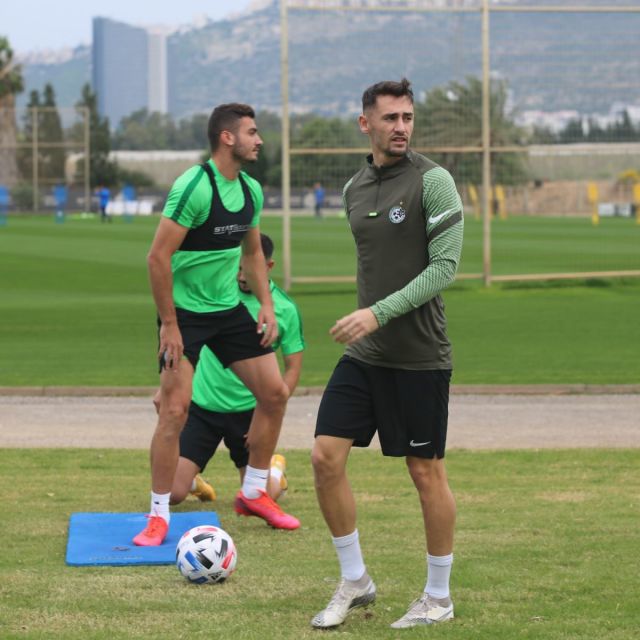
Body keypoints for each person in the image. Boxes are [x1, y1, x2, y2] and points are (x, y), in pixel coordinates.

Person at [310, 78, 464, 630]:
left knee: (425, 472)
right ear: (365, 124)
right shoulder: (354, 188)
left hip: (420, 356)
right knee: (325, 457)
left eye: (407, 117)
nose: (401, 127)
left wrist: (377, 312)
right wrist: (369, 322)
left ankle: (438, 598)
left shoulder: (434, 181)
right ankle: (355, 580)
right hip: (366, 354)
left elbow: (444, 269)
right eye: (390, 118)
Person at [135, 103, 299, 547]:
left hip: (227, 311)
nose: (259, 140)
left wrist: (266, 305)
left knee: (274, 394)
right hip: (184, 315)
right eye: (252, 132)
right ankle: (158, 516)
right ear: (227, 138)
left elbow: (252, 253)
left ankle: (253, 493)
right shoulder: (194, 186)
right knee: (174, 411)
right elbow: (157, 257)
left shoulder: (250, 190)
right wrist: (169, 325)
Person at [162, 233, 305, 510]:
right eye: (236, 268)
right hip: (204, 407)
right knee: (172, 494)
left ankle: (275, 470)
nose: (240, 276)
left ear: (268, 266)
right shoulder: (218, 296)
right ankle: (192, 482)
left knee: (258, 500)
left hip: (249, 412)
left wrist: (267, 415)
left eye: (247, 268)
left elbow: (292, 369)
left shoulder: (284, 309)